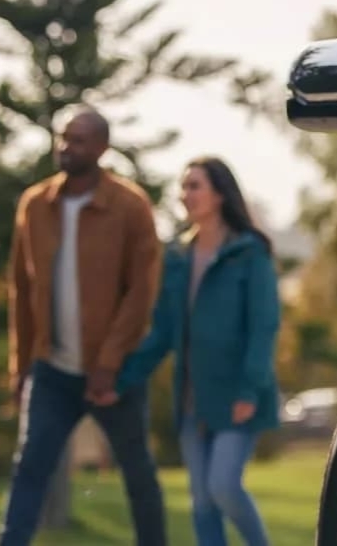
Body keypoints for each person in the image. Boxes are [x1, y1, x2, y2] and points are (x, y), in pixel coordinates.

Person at [0, 106, 167, 545]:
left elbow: (141, 293)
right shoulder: (35, 205)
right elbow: (20, 288)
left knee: (138, 473)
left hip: (113, 372)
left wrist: (110, 363)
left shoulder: (130, 206)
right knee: (29, 468)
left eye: (77, 139)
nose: (65, 147)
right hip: (51, 370)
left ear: (101, 147)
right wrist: (21, 368)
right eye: (62, 137)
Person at [110, 156, 282, 546]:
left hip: (237, 394)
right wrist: (121, 378)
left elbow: (264, 326)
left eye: (194, 186)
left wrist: (249, 389)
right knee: (202, 502)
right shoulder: (177, 257)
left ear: (219, 193)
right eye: (183, 186)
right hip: (192, 398)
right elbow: (164, 333)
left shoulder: (249, 252)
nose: (184, 195)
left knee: (223, 486)